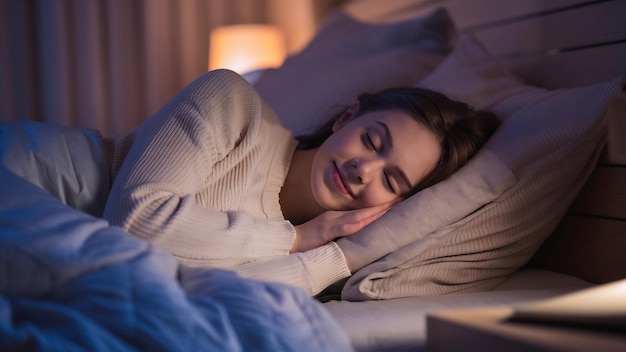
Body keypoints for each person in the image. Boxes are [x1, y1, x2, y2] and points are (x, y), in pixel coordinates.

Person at [102, 69, 500, 295]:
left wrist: (336, 256)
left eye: (392, 180)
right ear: (347, 118)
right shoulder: (231, 102)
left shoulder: (316, 256)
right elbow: (135, 223)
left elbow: (204, 293)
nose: (364, 170)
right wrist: (293, 239)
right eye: (371, 140)